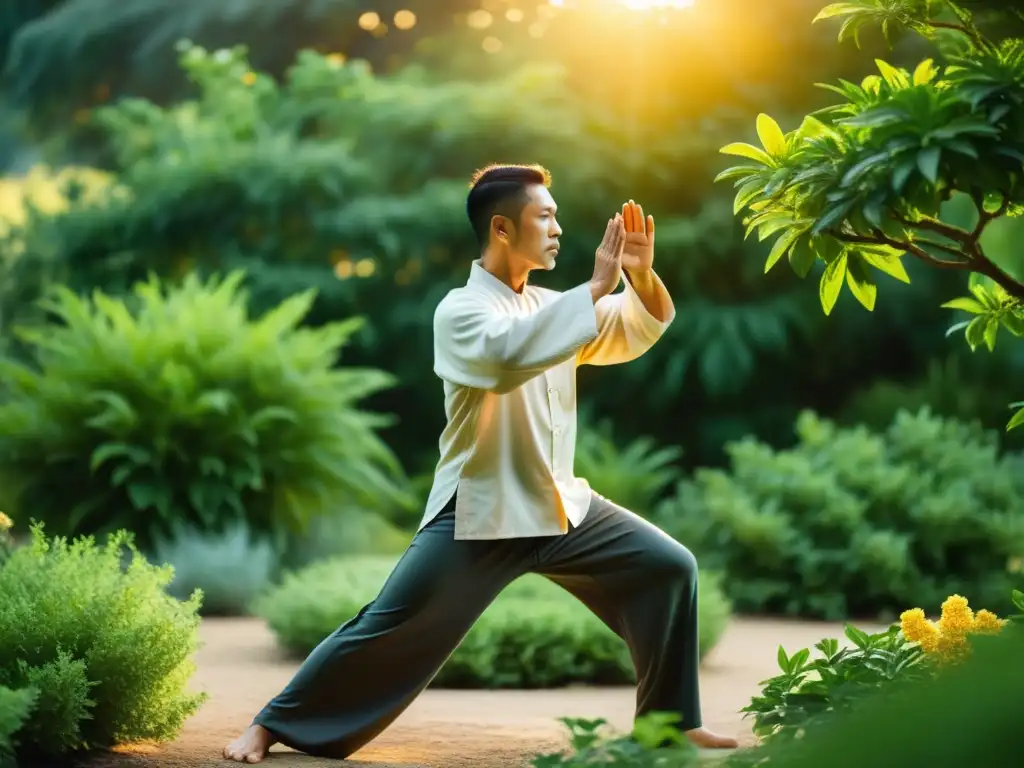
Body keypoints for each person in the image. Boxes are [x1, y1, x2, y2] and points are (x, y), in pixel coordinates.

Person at [223, 163, 740, 764]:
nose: (557, 229)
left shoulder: (551, 303)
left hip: (561, 507)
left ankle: (669, 723)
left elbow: (632, 328)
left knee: (669, 567)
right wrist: (595, 289)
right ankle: (270, 725)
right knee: (389, 625)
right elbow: (504, 358)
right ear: (501, 228)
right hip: (480, 512)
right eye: (544, 216)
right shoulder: (460, 311)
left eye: (555, 216)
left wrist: (640, 277)